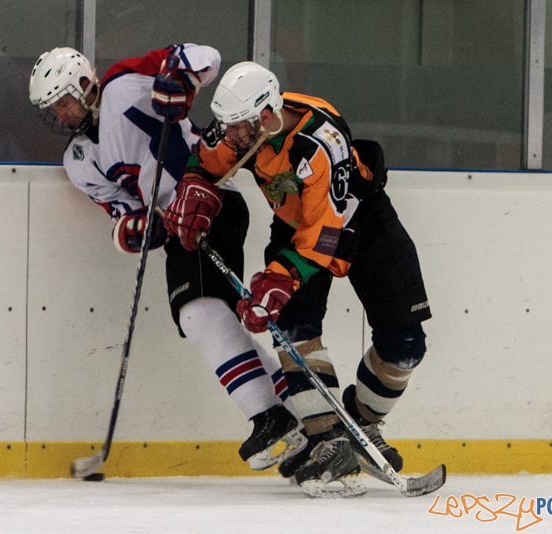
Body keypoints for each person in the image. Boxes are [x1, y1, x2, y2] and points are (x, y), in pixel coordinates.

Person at [28, 46, 307, 472]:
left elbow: (204, 57)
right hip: (180, 227)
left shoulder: (123, 85)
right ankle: (299, 415)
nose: (61, 113)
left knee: (198, 314)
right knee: (212, 321)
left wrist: (180, 81)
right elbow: (123, 214)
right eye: (53, 108)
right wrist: (139, 229)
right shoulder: (78, 160)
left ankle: (271, 418)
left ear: (85, 84)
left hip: (212, 199)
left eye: (64, 100)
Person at [169, 61, 432, 497]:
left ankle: (360, 424)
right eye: (227, 126)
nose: (230, 136)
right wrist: (196, 186)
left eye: (239, 127)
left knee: (406, 347)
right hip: (295, 226)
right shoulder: (240, 125)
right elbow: (207, 160)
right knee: (293, 327)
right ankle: (329, 439)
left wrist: (282, 277)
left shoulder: (320, 143)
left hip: (361, 221)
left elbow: (325, 233)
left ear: (267, 116)